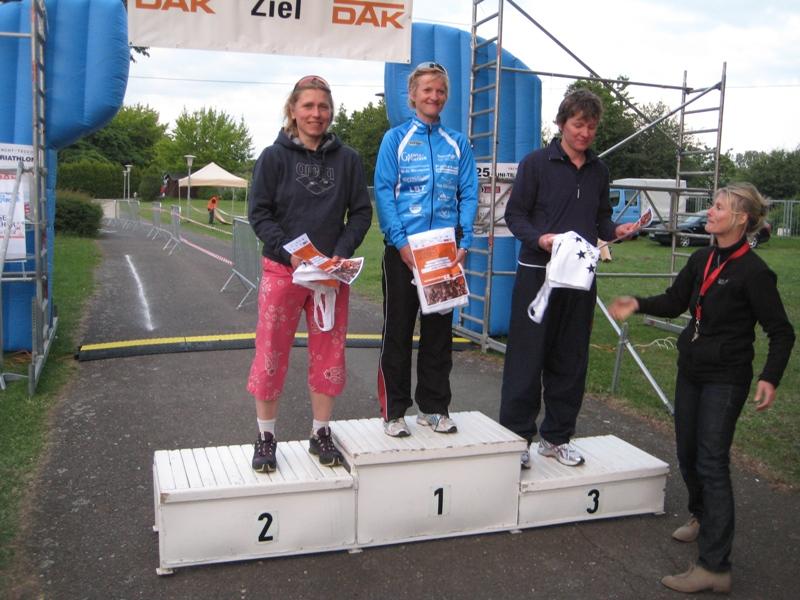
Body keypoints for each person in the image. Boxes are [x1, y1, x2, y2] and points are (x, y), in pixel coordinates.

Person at [609, 183, 794, 594]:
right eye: (712, 205)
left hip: (725, 378)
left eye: (718, 207)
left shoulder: (755, 273)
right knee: (688, 453)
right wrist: (637, 303)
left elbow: (781, 332)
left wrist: (770, 377)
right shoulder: (701, 258)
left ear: (741, 219)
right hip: (691, 371)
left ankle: (714, 565)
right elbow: (675, 301)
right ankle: (703, 516)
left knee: (712, 461)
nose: (710, 211)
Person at [499, 89, 638, 468]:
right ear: (562, 123)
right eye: (578, 125)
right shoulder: (536, 163)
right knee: (527, 358)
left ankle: (557, 438)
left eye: (591, 127)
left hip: (580, 278)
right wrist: (540, 239)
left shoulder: (599, 170)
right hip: (538, 275)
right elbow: (515, 216)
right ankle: (516, 438)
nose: (585, 133)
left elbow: (601, 218)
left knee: (571, 359)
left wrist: (617, 230)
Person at [247, 75, 372, 471]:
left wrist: (340, 253)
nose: (316, 114)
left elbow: (361, 213)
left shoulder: (348, 160)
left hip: (328, 276)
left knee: (329, 353)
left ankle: (320, 432)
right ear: (293, 110)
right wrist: (290, 253)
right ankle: (266, 436)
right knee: (271, 352)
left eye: (323, 106)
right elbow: (259, 213)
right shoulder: (273, 157)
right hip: (283, 272)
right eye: (308, 106)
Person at [374, 61, 478, 437]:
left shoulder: (458, 143)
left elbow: (469, 193)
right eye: (427, 90)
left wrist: (464, 241)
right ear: (413, 95)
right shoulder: (395, 140)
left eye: (440, 90)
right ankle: (394, 411)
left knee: (439, 334)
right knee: (398, 332)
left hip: (443, 253)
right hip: (403, 253)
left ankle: (433, 408)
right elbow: (384, 192)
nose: (434, 96)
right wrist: (401, 243)